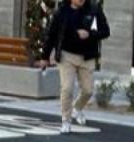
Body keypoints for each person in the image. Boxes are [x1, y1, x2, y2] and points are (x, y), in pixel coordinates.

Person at [37, 0, 110, 134]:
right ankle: (66, 120)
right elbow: (51, 35)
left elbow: (105, 31)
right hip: (66, 55)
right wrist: (45, 57)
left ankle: (78, 108)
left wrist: (90, 34)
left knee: (88, 90)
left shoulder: (94, 9)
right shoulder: (62, 12)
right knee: (67, 88)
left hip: (87, 56)